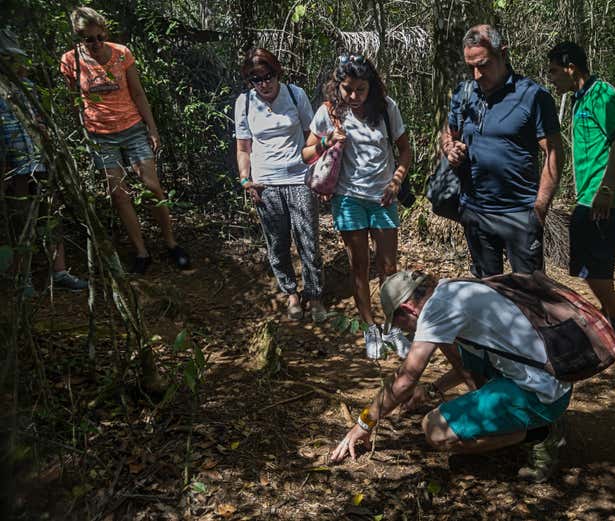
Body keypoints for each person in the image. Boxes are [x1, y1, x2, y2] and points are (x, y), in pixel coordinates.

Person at [329, 270, 572, 482]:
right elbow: (464, 365)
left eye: (400, 323)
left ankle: (542, 432)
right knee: (456, 351)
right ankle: (517, 422)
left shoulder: (436, 310)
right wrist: (433, 388)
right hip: (552, 378)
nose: (404, 330)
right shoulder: (452, 289)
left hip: (541, 392)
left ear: (407, 308)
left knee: (435, 430)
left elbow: (405, 379)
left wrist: (364, 423)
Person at [60, 6, 190, 275]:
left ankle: (171, 243)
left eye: (98, 37)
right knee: (119, 194)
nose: (95, 44)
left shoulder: (121, 54)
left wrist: (152, 128)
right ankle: (141, 252)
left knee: (152, 186)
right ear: (78, 36)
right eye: (88, 39)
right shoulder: (70, 60)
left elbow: (139, 93)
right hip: (100, 135)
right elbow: (74, 102)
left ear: (104, 32)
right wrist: (83, 133)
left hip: (132, 127)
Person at [301, 54, 412, 358]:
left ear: (371, 87)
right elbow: (306, 153)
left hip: (383, 199)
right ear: (338, 86)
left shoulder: (387, 109)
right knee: (359, 266)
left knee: (390, 269)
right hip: (349, 199)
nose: (352, 96)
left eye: (360, 90)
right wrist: (327, 142)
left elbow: (404, 151)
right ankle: (369, 328)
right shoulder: (330, 112)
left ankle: (394, 328)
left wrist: (396, 182)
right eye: (347, 89)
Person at [440, 24, 563, 278]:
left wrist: (539, 209)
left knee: (530, 293)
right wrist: (450, 148)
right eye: (470, 66)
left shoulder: (533, 97)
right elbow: (447, 133)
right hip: (475, 212)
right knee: (487, 293)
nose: (476, 74)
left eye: (483, 65)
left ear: (503, 54)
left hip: (520, 213)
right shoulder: (464, 94)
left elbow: (554, 153)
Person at [547, 42, 615, 347]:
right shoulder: (581, 99)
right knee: (587, 261)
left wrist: (606, 189)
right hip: (588, 196)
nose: (551, 78)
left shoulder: (603, 94)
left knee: (594, 262)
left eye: (553, 71)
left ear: (570, 67)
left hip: (601, 199)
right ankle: (613, 312)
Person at [234, 48, 326, 322]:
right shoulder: (245, 103)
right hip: (265, 183)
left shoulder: (296, 95)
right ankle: (291, 294)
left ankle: (315, 294)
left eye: (268, 76)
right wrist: (245, 179)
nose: (264, 83)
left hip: (300, 178)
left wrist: (319, 175)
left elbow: (312, 138)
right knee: (277, 243)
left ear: (278, 72)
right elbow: (243, 147)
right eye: (255, 79)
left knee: (308, 240)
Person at [1, 27, 87, 295]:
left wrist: (46, 137)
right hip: (12, 165)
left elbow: (38, 119)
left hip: (38, 159)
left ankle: (59, 271)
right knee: (19, 218)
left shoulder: (26, 86)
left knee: (50, 212)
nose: (15, 63)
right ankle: (21, 277)